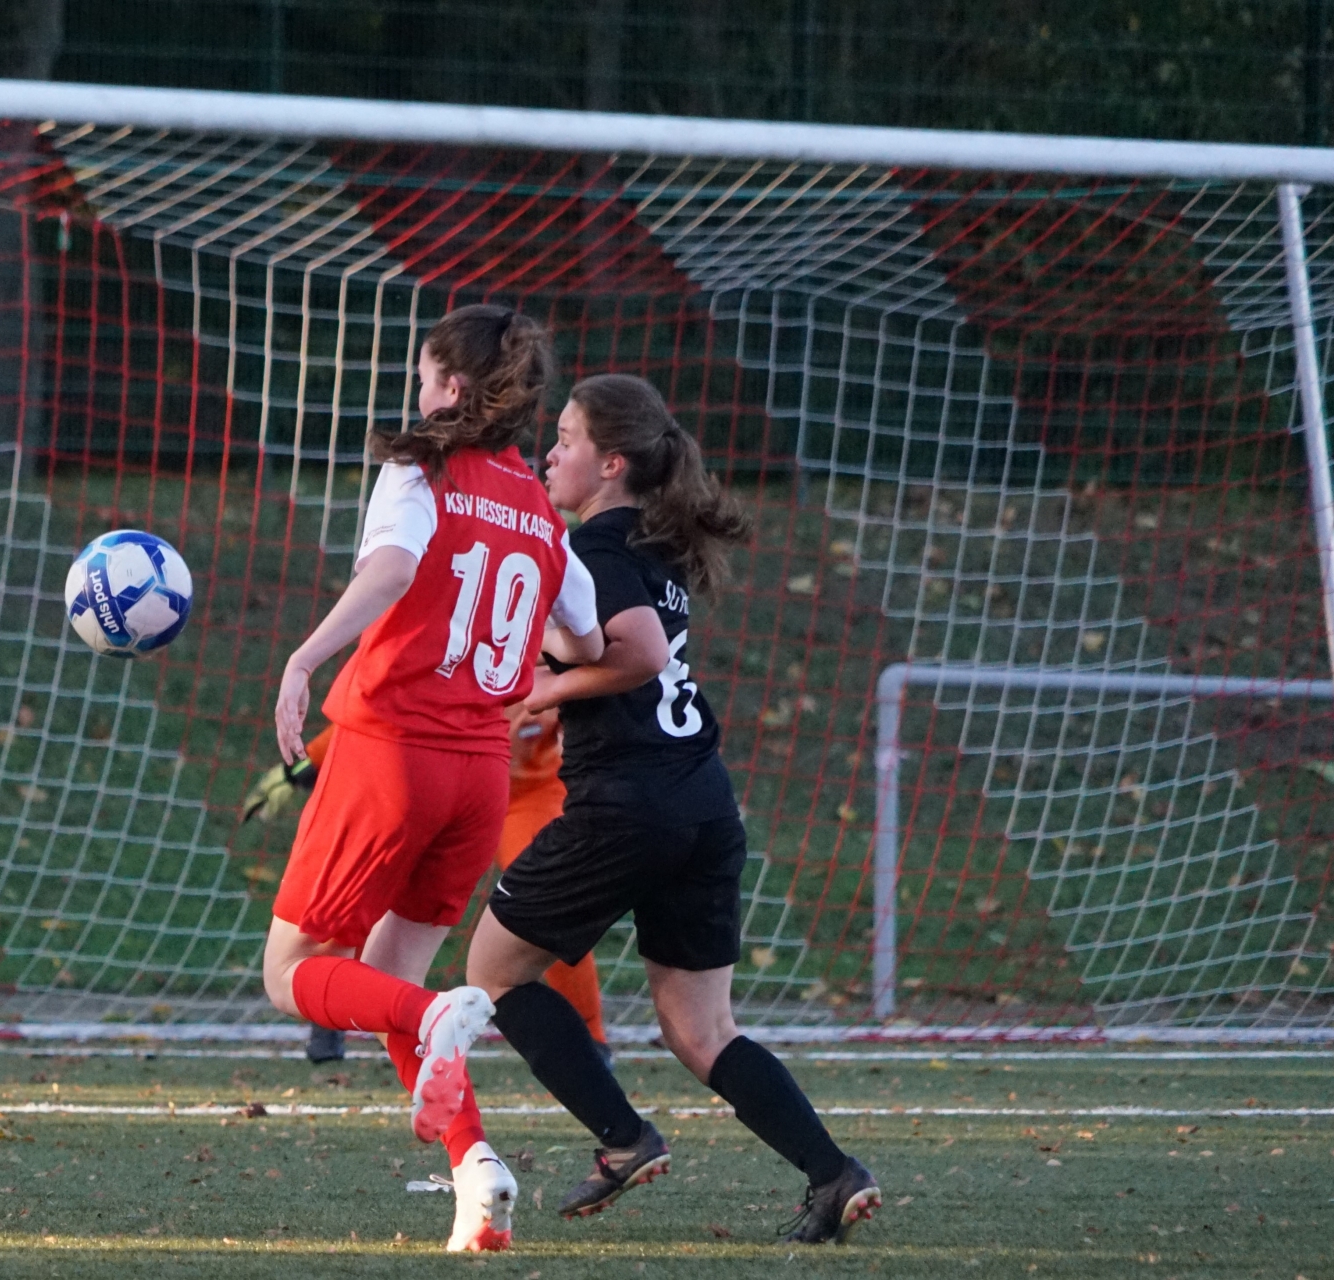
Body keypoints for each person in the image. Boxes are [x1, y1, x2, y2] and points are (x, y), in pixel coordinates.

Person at [465, 373, 882, 1245]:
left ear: (612, 463)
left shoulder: (596, 548)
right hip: (702, 803)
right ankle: (833, 1173)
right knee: (701, 1030)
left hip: (628, 803)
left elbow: (643, 655)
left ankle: (624, 1140)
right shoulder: (650, 550)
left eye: (567, 440)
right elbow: (632, 649)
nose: (549, 455)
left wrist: (542, 691)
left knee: (494, 973)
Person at [259, 304, 604, 1253]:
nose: (417, 396)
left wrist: (306, 657)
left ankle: (440, 1015)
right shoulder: (540, 511)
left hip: (392, 753)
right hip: (481, 774)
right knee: (389, 976)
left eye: (424, 378)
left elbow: (392, 568)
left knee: (291, 974)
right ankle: (476, 1172)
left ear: (452, 387)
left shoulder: (421, 466)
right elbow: (585, 640)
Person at [243, 712, 610, 1067]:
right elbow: (386, 702)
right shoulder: (457, 679)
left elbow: (599, 684)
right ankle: (337, 1018)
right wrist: (309, 759)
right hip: (445, 775)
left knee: (548, 909)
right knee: (370, 896)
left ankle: (591, 1040)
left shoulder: (554, 677)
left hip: (521, 789)